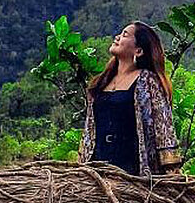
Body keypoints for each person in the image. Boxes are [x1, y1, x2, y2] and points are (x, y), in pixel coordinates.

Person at [78, 21, 182, 176]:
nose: (117, 37)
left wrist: (171, 171)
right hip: (96, 170)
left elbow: (163, 128)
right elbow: (89, 130)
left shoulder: (148, 81)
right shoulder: (101, 82)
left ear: (138, 50)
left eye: (125, 34)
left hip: (132, 173)